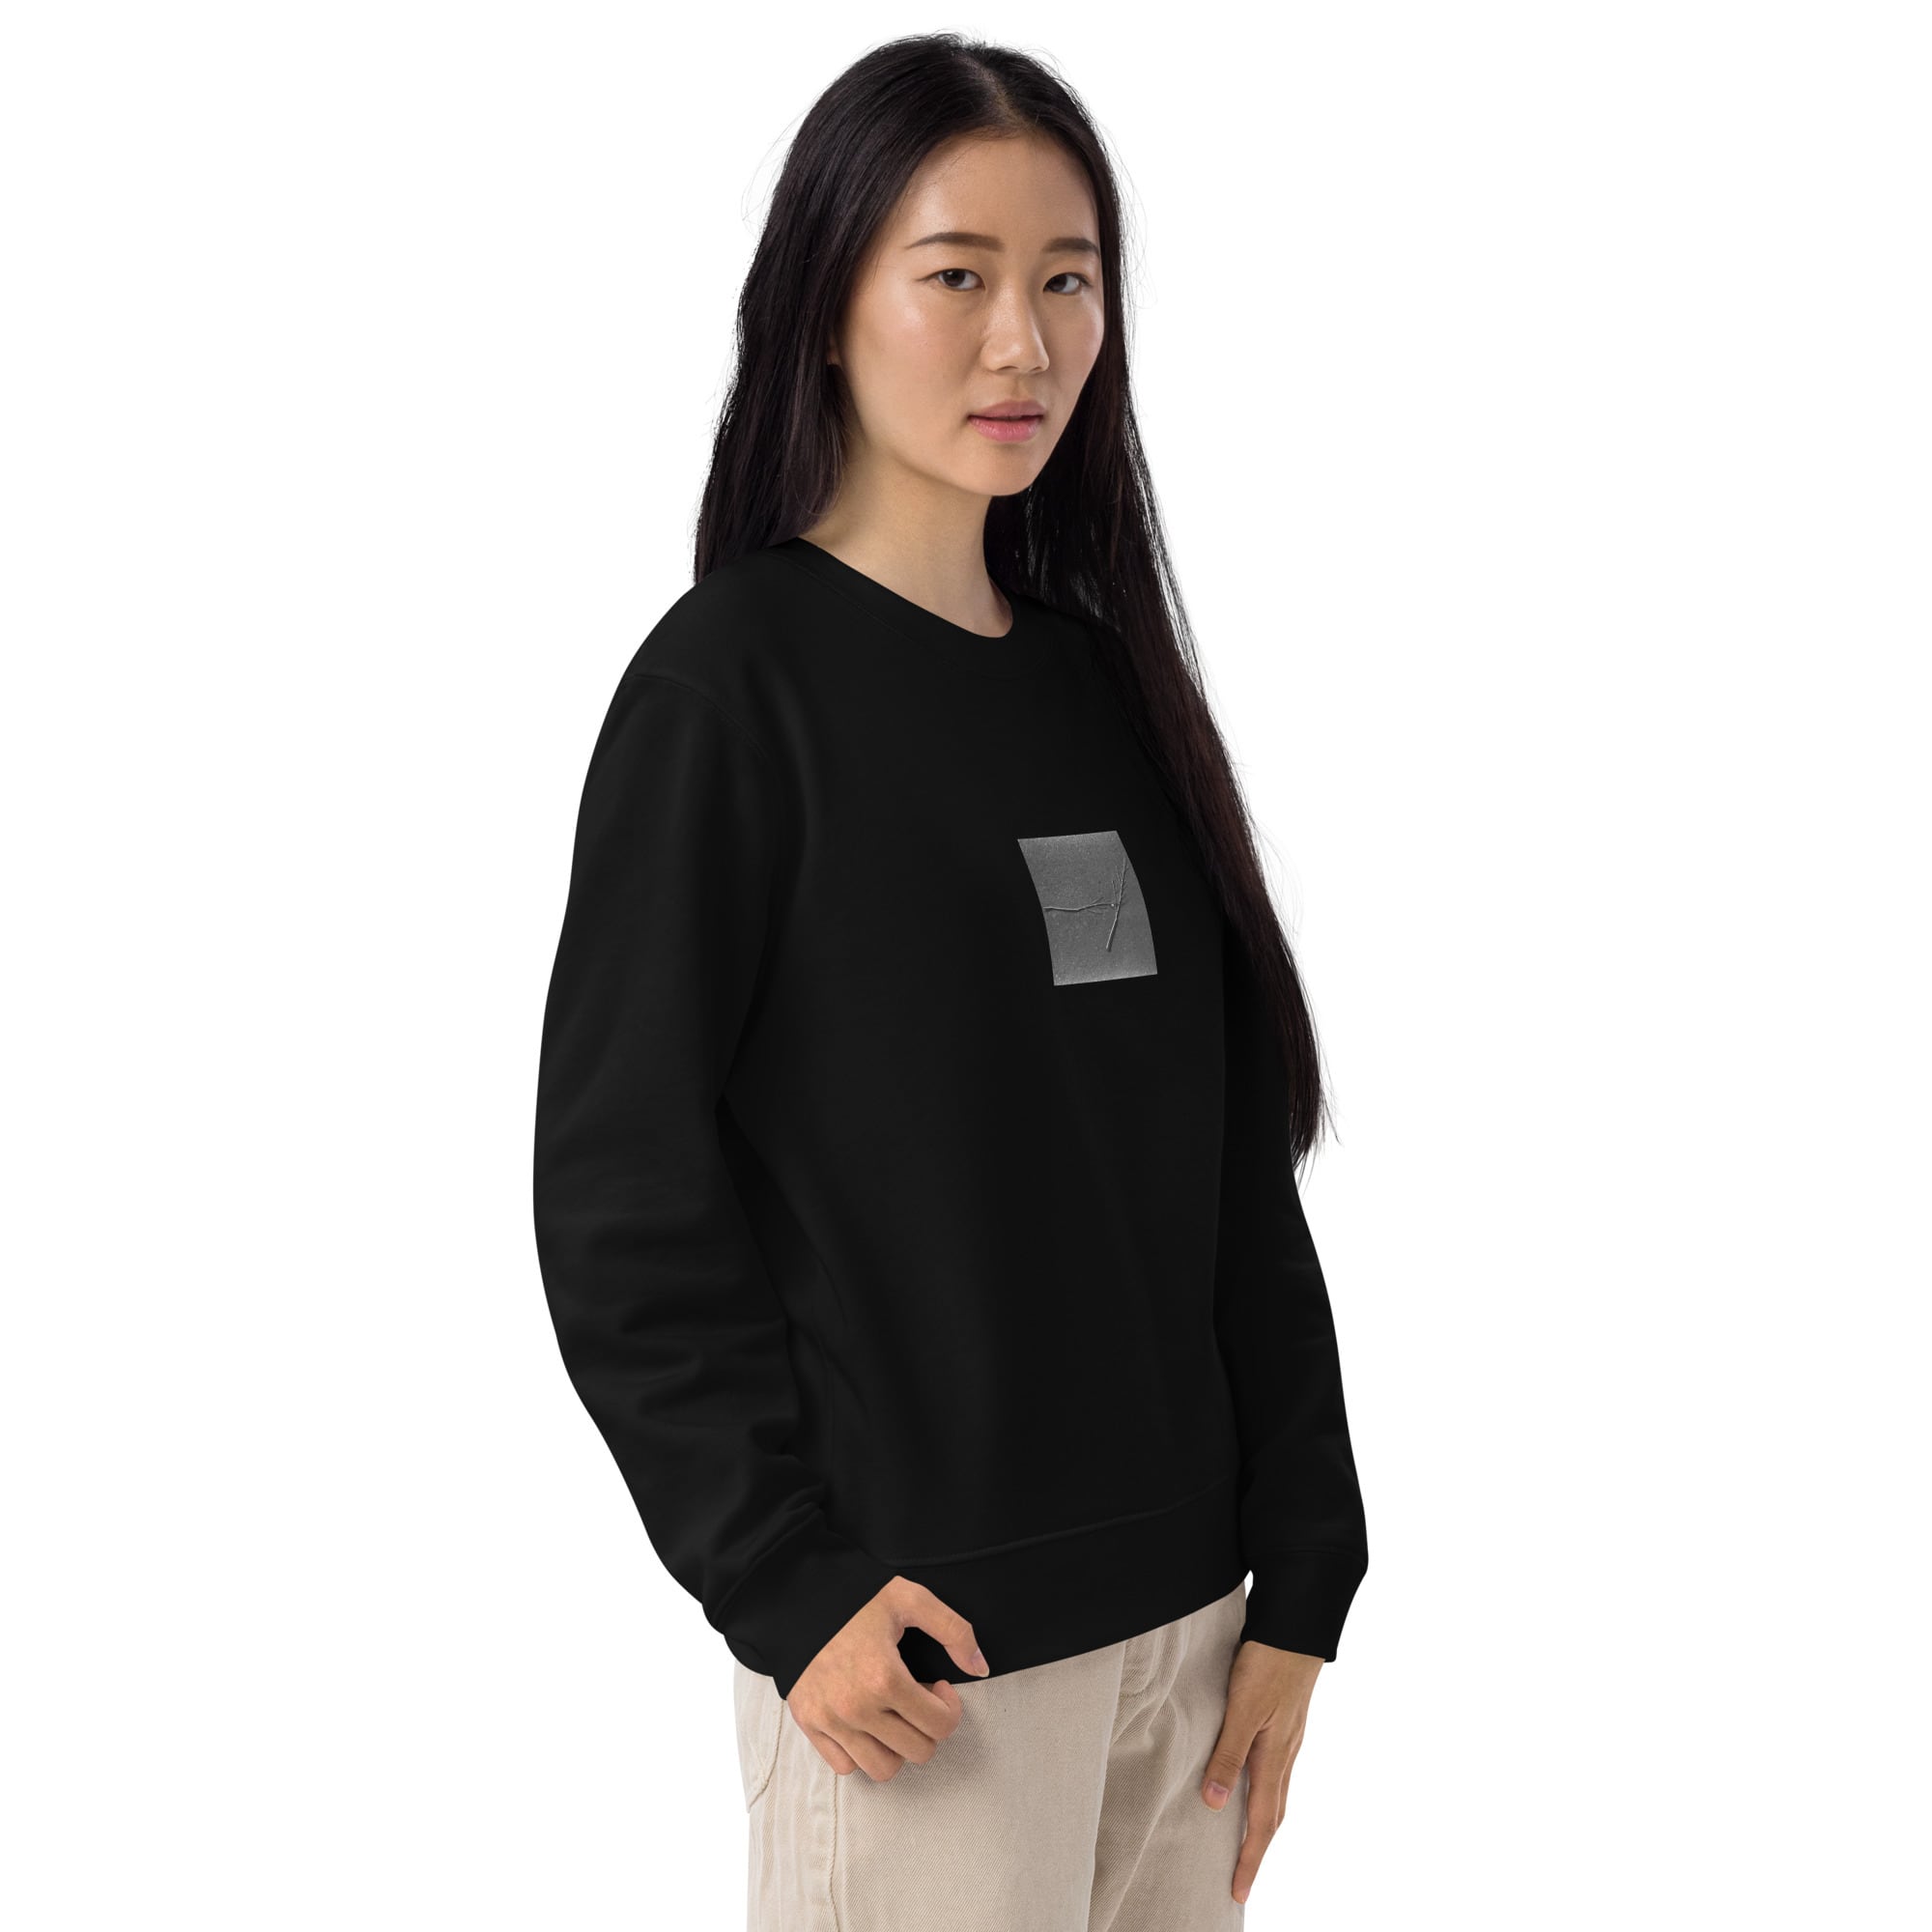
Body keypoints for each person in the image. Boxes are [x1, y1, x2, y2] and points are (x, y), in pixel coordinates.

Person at [530, 31, 1370, 1929]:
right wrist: (783, 1582)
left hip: (1191, 1646)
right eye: (958, 276)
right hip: (926, 1676)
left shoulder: (1102, 687)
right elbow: (621, 1196)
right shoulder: (729, 696)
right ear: (827, 305)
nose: (1024, 343)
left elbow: (1223, 1169)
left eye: (1068, 280)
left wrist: (1303, 1576)